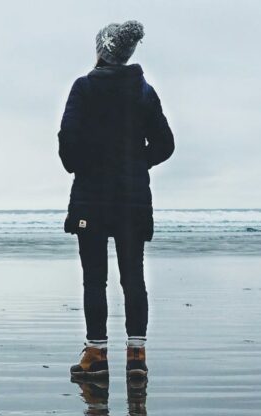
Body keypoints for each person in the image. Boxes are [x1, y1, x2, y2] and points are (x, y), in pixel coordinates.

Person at [59, 21, 175, 382]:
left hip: (91, 200)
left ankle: (96, 356)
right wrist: (137, 161)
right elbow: (165, 144)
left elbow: (67, 146)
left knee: (95, 279)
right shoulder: (143, 92)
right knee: (133, 278)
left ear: (102, 50)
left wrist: (86, 163)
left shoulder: (83, 89)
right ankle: (136, 357)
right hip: (132, 200)